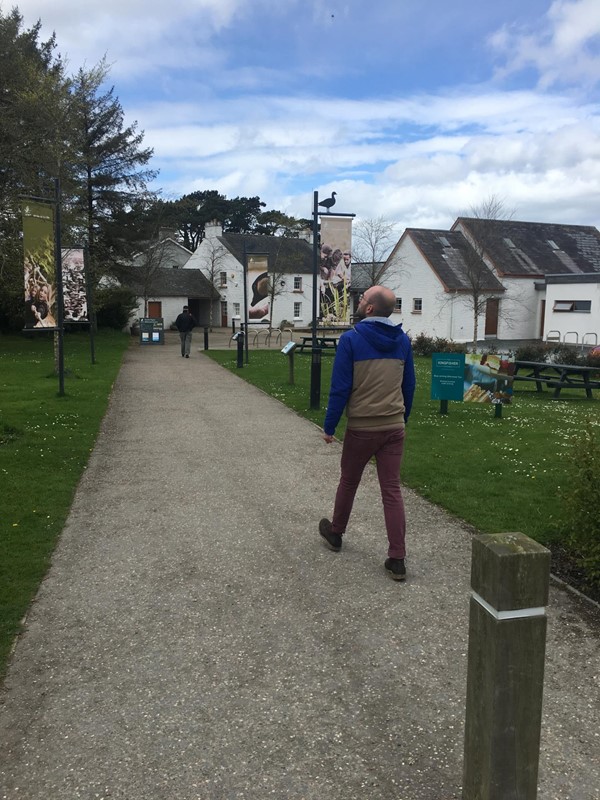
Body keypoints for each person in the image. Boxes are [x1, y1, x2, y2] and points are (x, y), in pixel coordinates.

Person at [319, 285, 416, 581]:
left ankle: (336, 533)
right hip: (393, 427)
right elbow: (408, 386)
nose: (359, 302)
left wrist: (330, 426)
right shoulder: (403, 341)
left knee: (349, 481)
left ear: (370, 308)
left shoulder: (351, 340)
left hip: (362, 427)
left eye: (362, 299)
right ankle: (397, 558)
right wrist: (402, 418)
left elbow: (340, 388)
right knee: (391, 490)